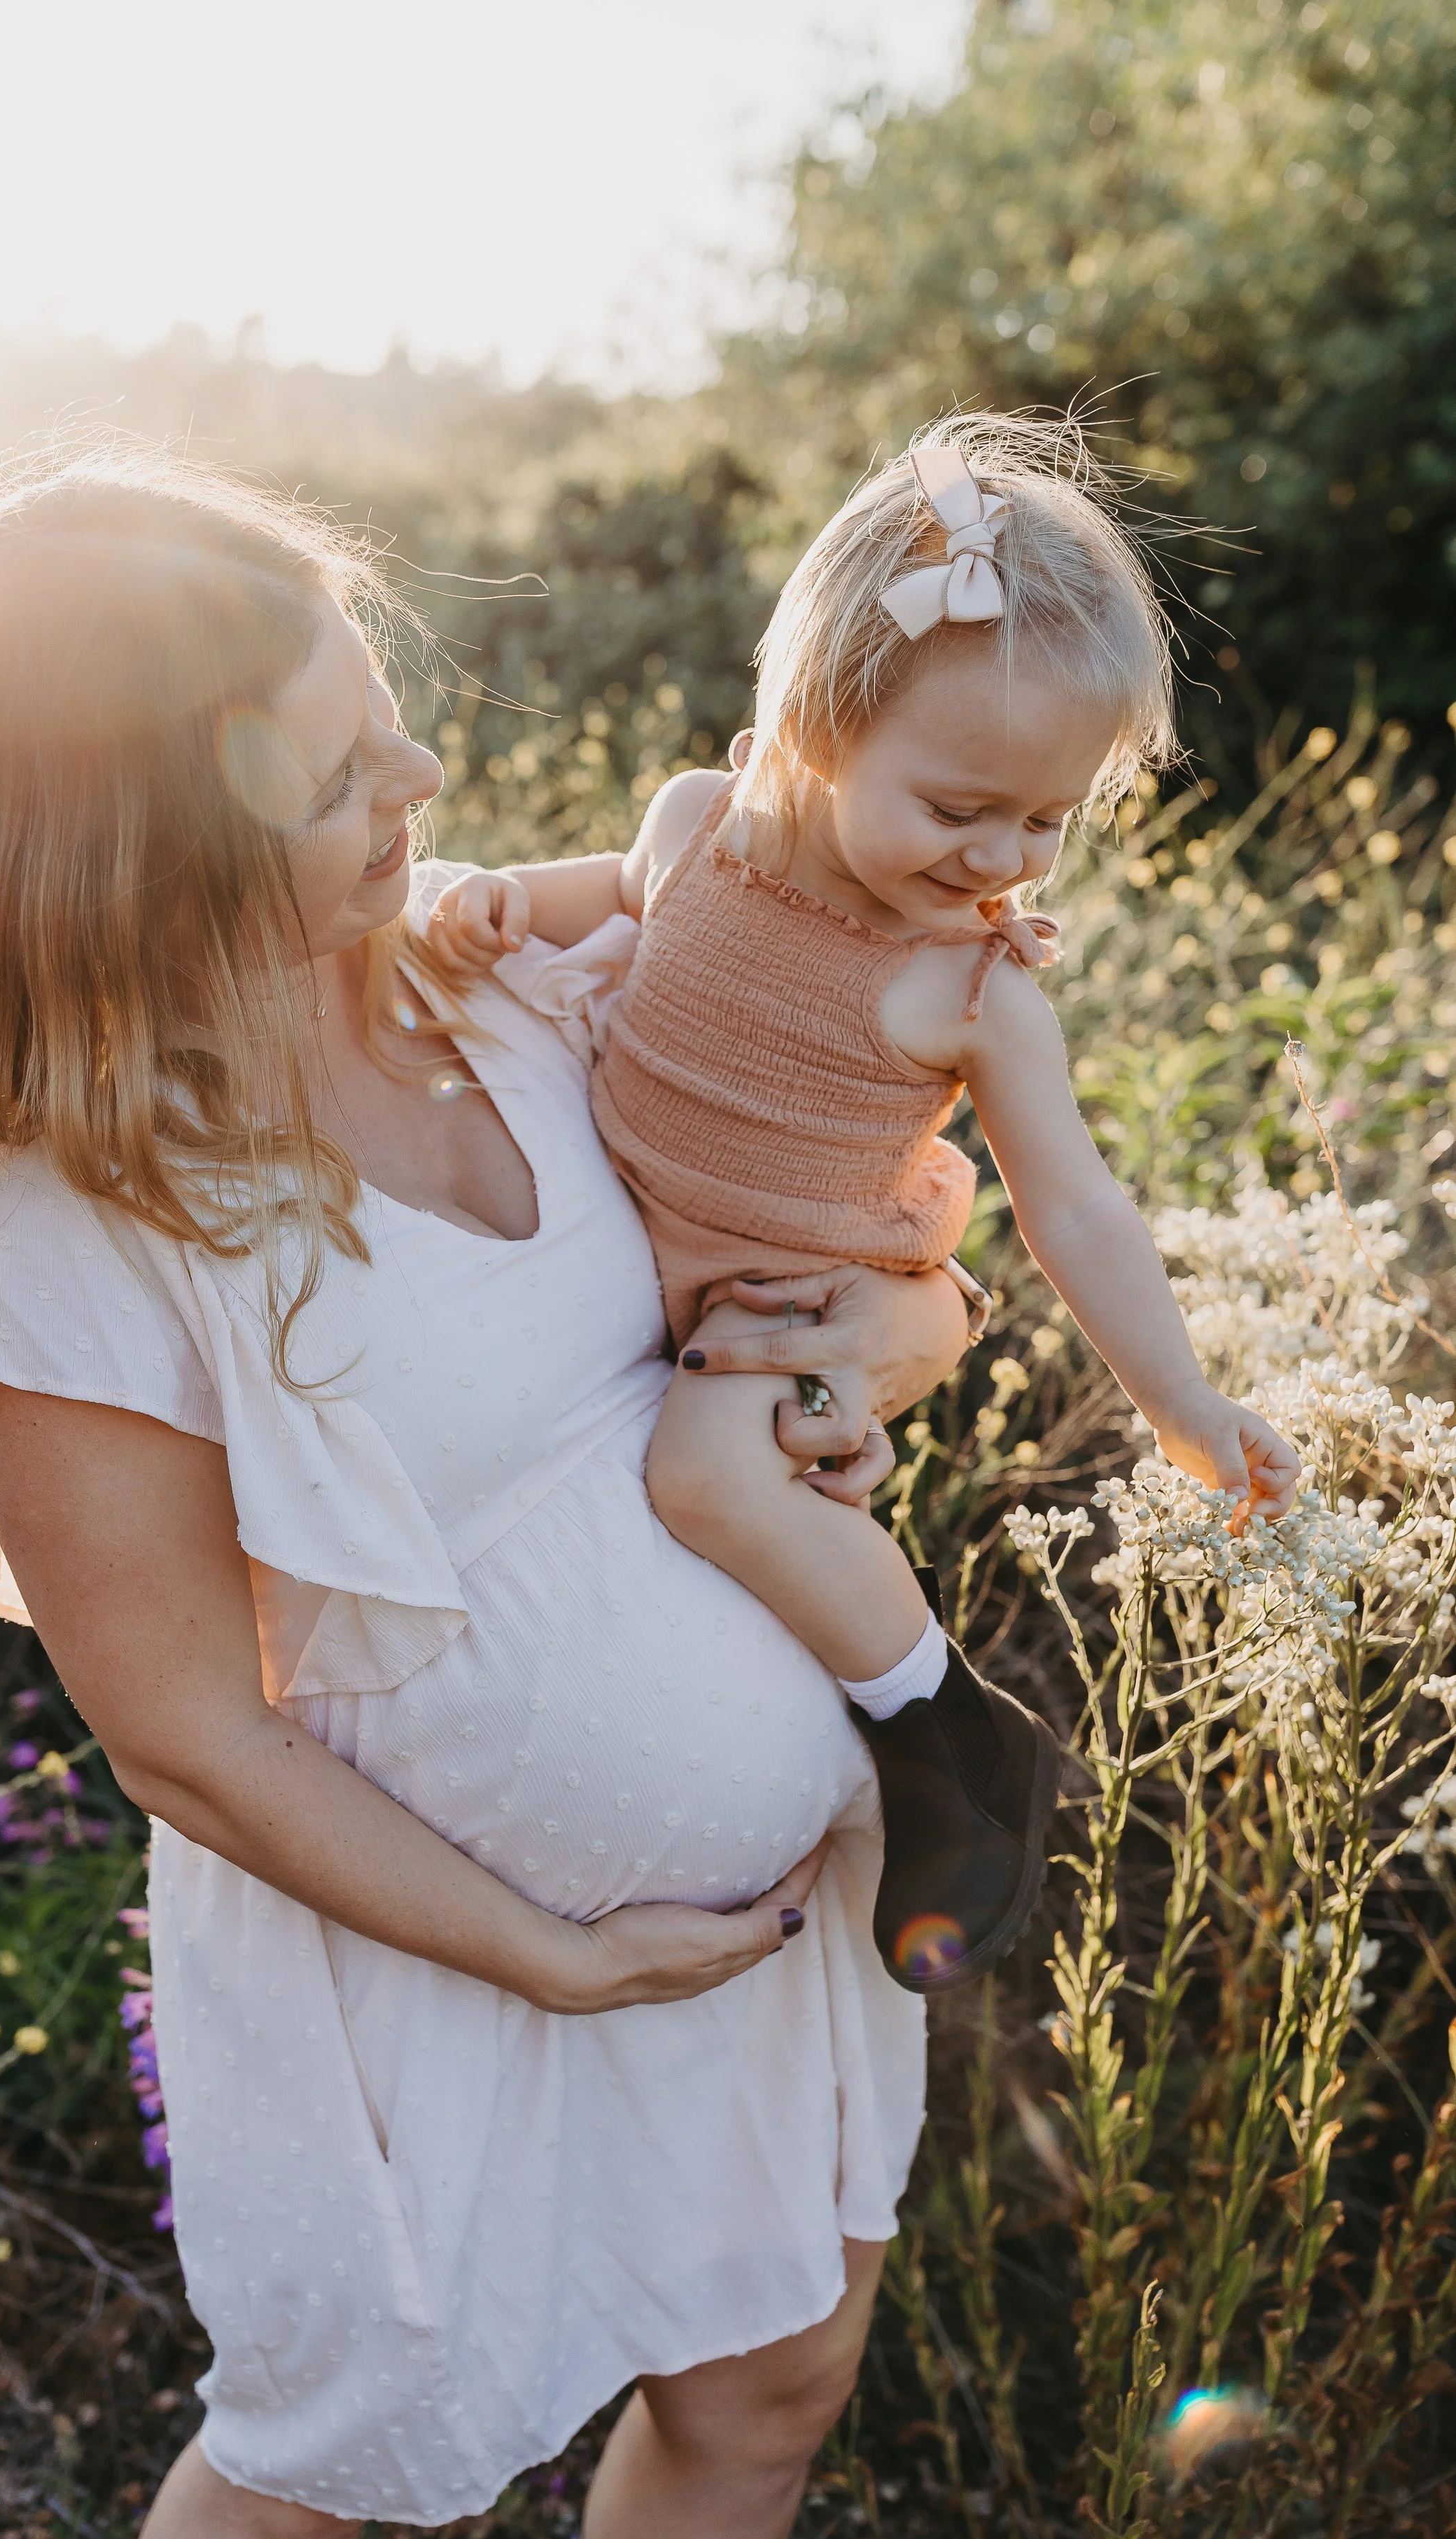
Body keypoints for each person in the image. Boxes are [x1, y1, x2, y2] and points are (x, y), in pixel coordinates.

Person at [0, 441, 975, 2539]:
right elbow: (181, 1733)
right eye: (346, 764)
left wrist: (894, 1332)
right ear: (139, 844)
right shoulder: (66, 1215)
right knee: (312, 2478)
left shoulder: (511, 977)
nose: (426, 769)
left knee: (766, 2386)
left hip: (758, 1929)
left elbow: (863, 1233)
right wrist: (540, 1946)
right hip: (413, 1965)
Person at [424, 412, 1301, 1994]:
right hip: (641, 1260)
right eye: (960, 805)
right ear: (820, 724)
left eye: (1044, 822)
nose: (999, 860)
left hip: (774, 1306)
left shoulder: (965, 988)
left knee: (706, 1479)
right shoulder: (698, 825)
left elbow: (1078, 1213)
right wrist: (495, 906)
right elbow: (601, 901)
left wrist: (1177, 1401)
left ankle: (945, 1728)